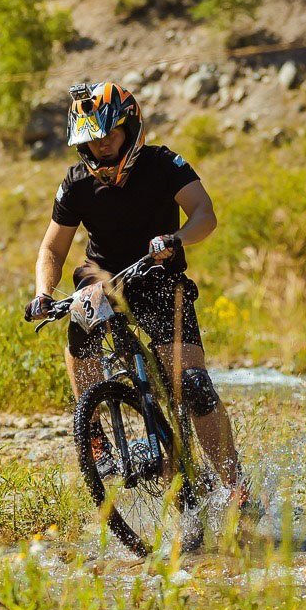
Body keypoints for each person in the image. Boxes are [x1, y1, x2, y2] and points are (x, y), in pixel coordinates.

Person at [25, 81, 246, 504]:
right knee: (80, 317)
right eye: (92, 139)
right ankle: (93, 433)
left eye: (110, 134)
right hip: (102, 279)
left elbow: (205, 213)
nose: (103, 145)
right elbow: (51, 248)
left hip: (159, 276)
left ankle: (235, 485)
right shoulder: (76, 182)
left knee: (194, 385)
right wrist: (42, 293)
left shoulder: (164, 164)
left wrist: (177, 238)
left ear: (130, 127)